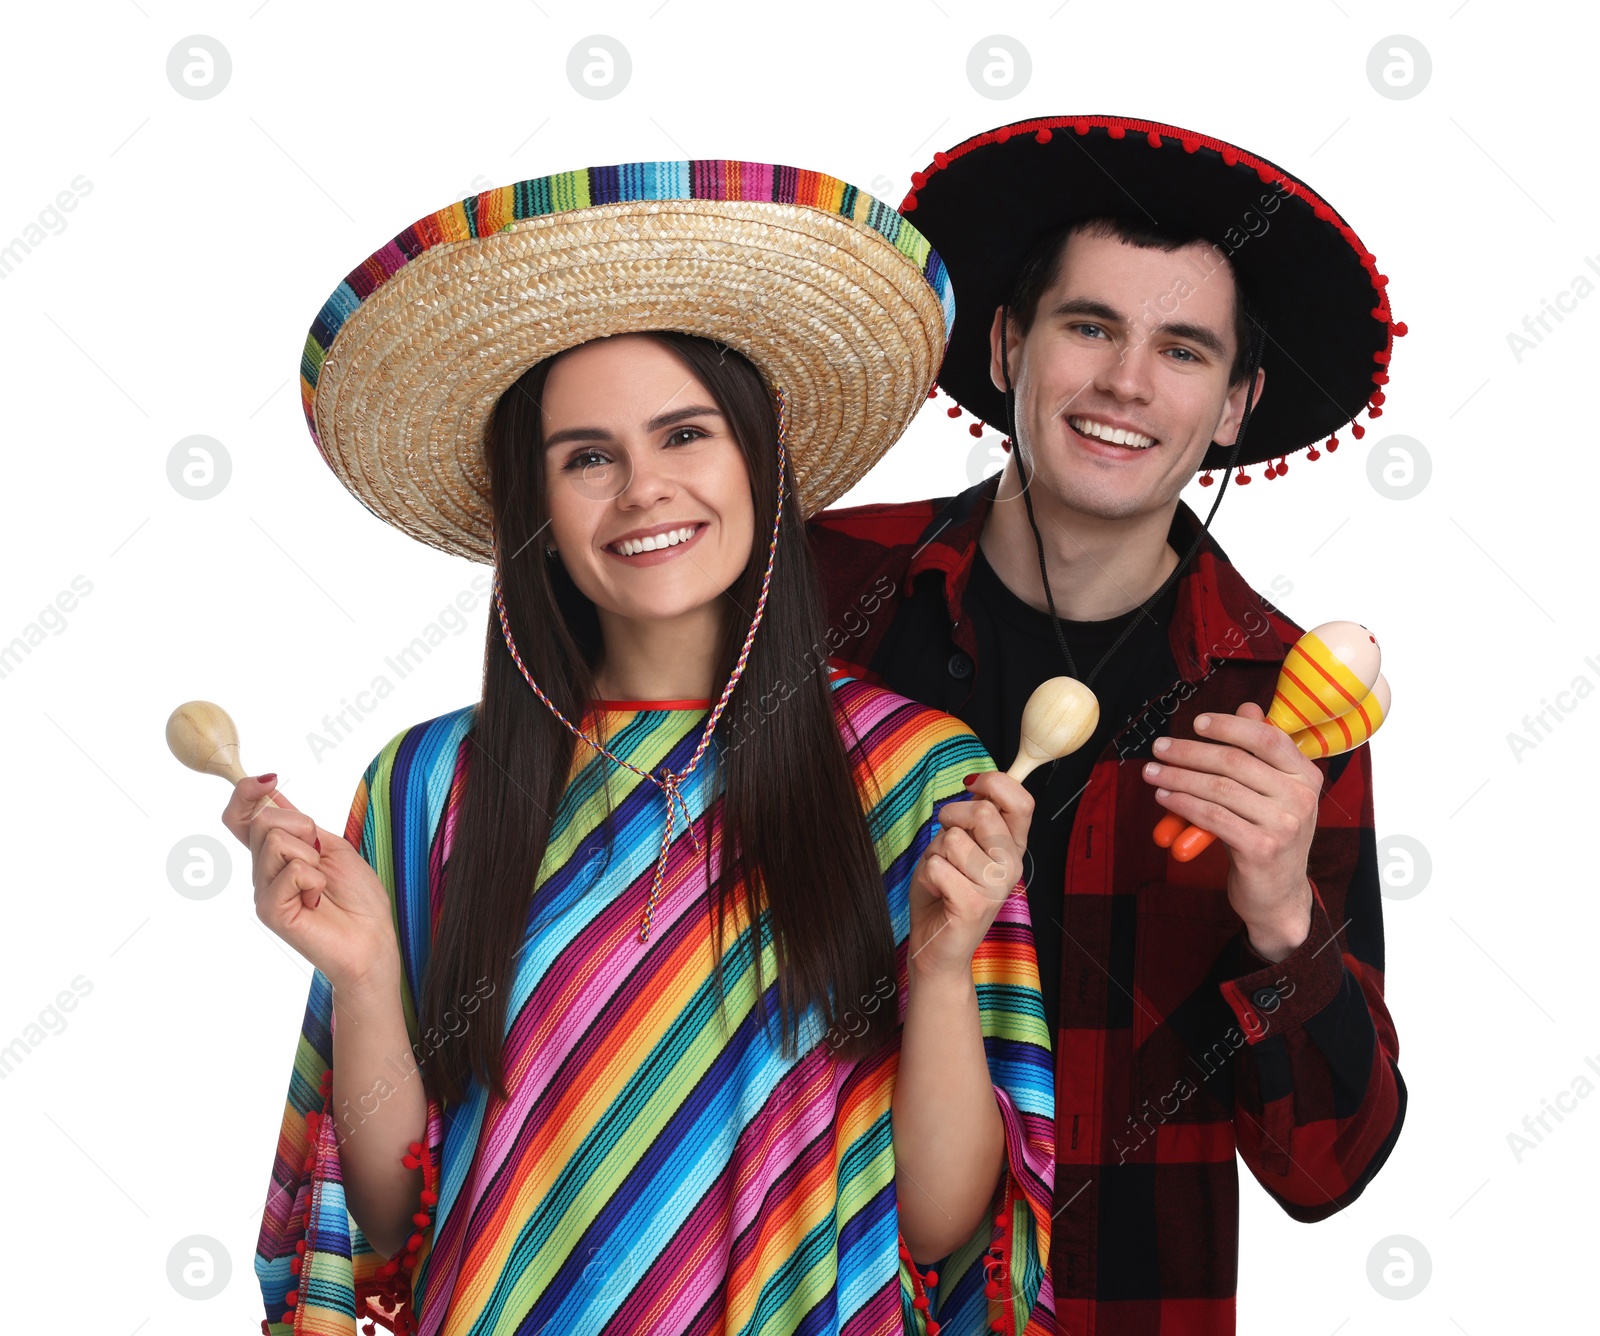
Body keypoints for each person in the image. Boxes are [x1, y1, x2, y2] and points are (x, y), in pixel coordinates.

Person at [226, 160, 1056, 1336]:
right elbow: (395, 1209)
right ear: (538, 510)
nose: (642, 489)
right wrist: (362, 975)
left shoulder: (913, 774)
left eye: (684, 433)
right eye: (585, 456)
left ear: (760, 463)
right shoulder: (425, 788)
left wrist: (936, 964)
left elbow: (936, 1227)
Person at [807, 115, 1407, 1334]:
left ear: (1234, 406)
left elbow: (1324, 1174)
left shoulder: (1281, 707)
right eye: (1089, 327)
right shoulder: (818, 592)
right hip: (801, 1286)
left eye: (1182, 350)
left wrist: (1283, 917)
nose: (1127, 383)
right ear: (1008, 343)